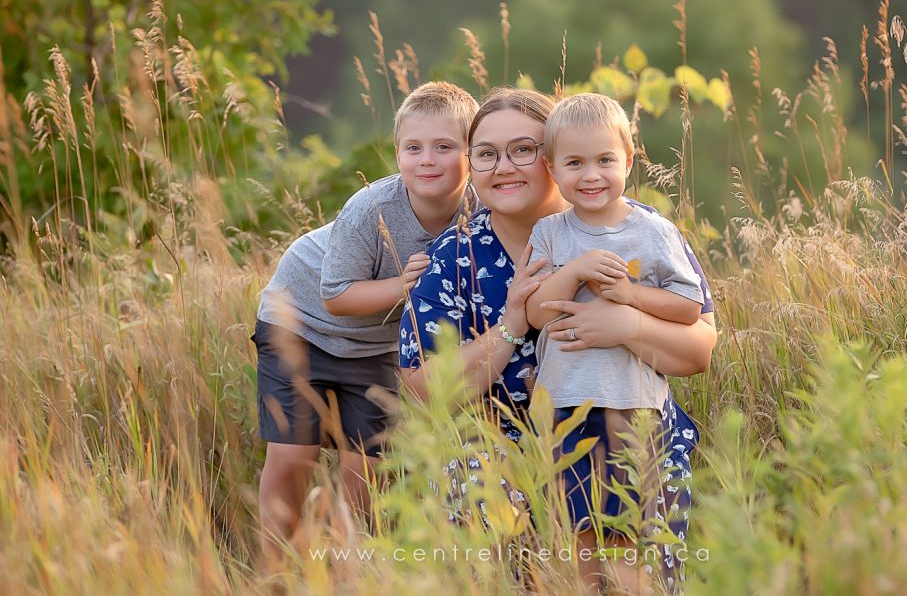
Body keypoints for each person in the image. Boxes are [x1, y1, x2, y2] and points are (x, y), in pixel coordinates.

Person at [398, 87, 716, 591]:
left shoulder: (637, 228)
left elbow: (699, 346)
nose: (504, 167)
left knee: (635, 570)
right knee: (474, 479)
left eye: (522, 150)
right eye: (486, 154)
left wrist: (627, 325)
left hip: (627, 422)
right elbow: (422, 387)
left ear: (548, 157)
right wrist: (513, 324)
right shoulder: (457, 254)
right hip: (508, 445)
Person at [254, 81, 479, 561]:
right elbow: (335, 296)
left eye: (445, 147)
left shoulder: (478, 212)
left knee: (369, 469)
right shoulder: (371, 208)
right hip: (301, 323)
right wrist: (404, 286)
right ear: (396, 153)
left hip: (378, 346)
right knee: (296, 454)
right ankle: (272, 571)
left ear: (472, 152)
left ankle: (344, 570)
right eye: (413, 148)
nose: (427, 160)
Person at [525, 92, 705, 522]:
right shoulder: (549, 232)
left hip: (633, 404)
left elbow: (688, 307)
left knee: (628, 526)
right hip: (561, 406)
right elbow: (534, 315)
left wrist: (630, 296)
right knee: (572, 529)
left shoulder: (654, 231)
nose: (591, 175)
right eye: (574, 163)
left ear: (627, 162)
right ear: (552, 169)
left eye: (604, 161)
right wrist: (576, 270)